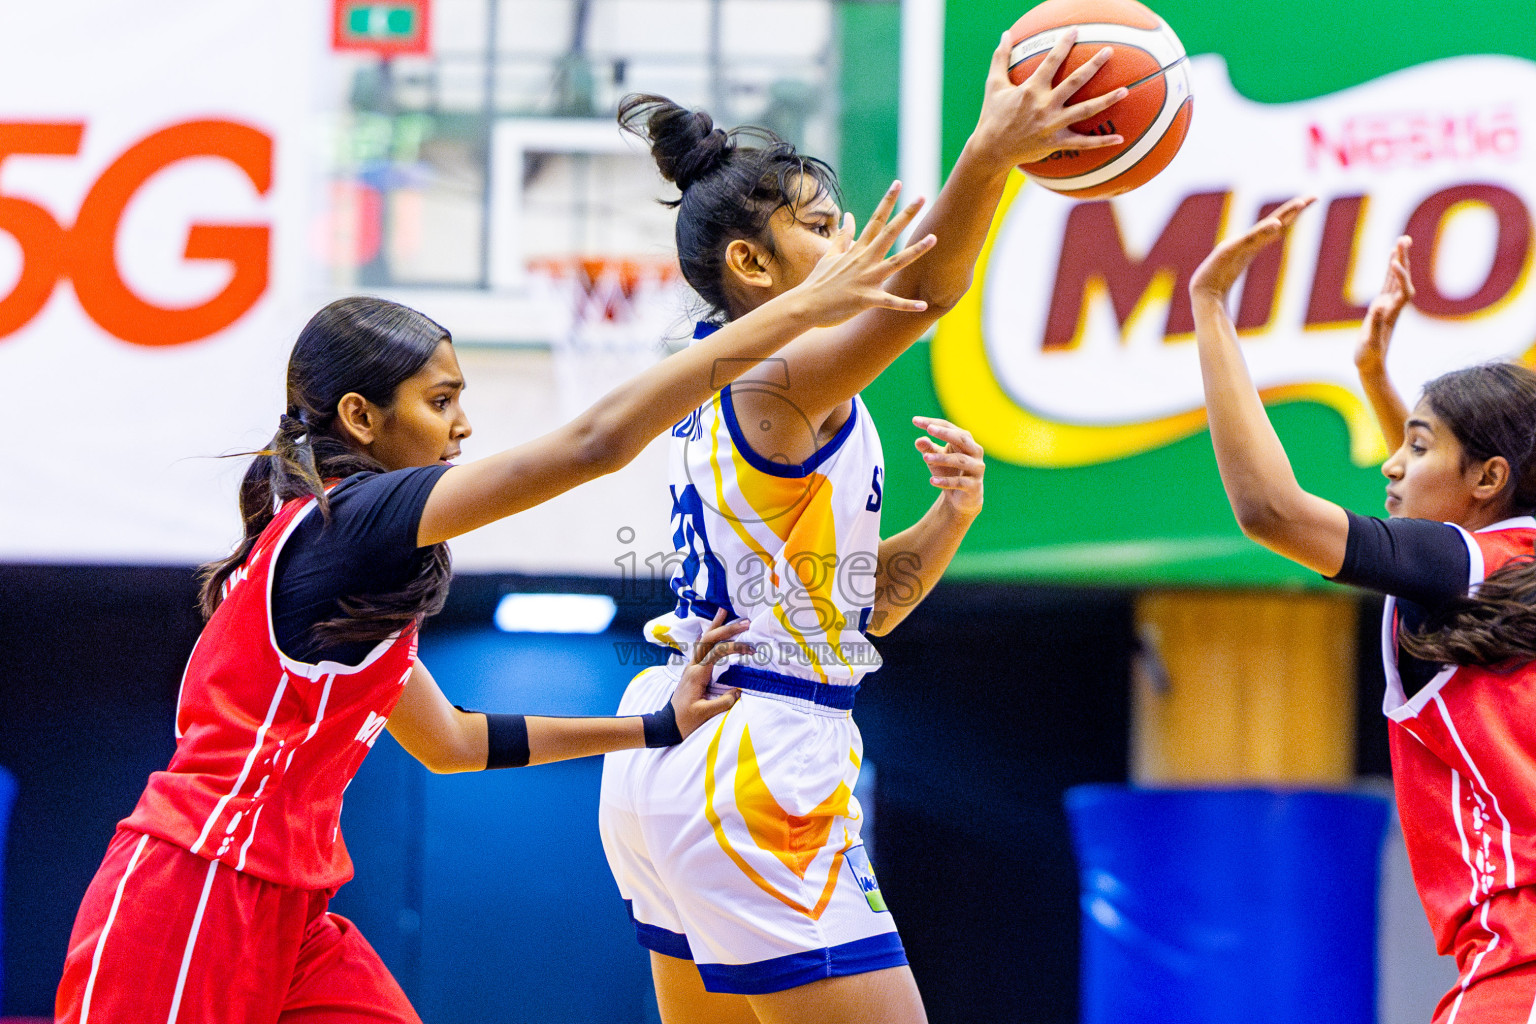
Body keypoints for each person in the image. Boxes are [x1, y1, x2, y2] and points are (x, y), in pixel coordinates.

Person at [55, 178, 937, 1024]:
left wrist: (654, 728)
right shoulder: (345, 524)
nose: (464, 426)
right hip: (194, 884)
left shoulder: (356, 585)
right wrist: (796, 313)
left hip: (293, 906)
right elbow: (594, 444)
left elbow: (455, 743)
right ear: (361, 418)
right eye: (441, 402)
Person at [598, 29, 1129, 1024]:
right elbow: (932, 291)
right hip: (755, 753)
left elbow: (859, 613)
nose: (851, 246)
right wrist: (992, 152)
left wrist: (949, 519)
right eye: (827, 230)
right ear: (752, 264)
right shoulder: (776, 381)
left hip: (675, 745)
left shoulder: (736, 380)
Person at [1192, 198, 1536, 1024]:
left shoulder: (1470, 570)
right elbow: (1434, 542)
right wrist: (1383, 387)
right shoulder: (1496, 573)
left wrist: (1209, 307)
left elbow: (1269, 511)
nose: (1390, 463)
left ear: (1489, 479)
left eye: (1416, 447)